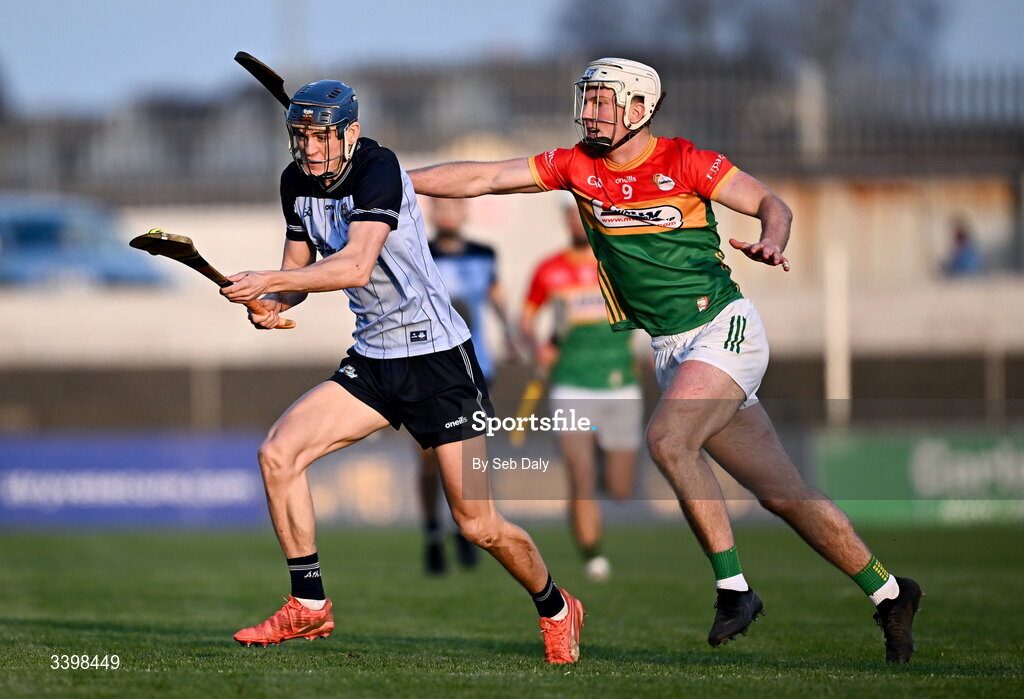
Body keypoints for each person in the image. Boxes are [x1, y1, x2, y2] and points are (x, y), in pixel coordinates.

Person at [410, 58, 923, 663]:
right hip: (671, 350)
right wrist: (392, 177)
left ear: (639, 110)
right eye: (588, 99)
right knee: (784, 495)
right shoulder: (577, 165)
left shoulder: (685, 161)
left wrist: (772, 239)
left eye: (604, 102)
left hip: (724, 329)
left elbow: (771, 203)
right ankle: (890, 592)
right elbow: (486, 178)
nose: (591, 111)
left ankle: (735, 589)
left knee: (667, 440)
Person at [220, 79, 584, 663]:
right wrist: (272, 304)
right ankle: (308, 605)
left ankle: (556, 606)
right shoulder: (294, 183)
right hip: (373, 362)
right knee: (278, 454)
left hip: (440, 362)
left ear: (351, 133)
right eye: (300, 136)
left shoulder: (379, 169)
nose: (310, 149)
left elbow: (357, 265)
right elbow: (298, 267)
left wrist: (272, 282)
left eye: (321, 136)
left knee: (478, 526)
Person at [520, 194, 641, 582]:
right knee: (580, 475)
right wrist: (537, 346)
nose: (576, 221)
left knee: (620, 489)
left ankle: (604, 466)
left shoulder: (621, 263)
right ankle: (593, 556)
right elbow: (525, 321)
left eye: (582, 213)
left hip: (620, 385)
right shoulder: (548, 270)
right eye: (570, 214)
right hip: (571, 386)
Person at [419, 196, 519, 575]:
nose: (447, 213)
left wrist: (510, 335)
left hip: (475, 366)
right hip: (426, 364)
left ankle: (468, 528)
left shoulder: (484, 253)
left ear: (464, 212)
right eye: (440, 207)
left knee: (467, 457)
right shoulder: (419, 251)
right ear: (432, 213)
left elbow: (496, 298)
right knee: (428, 460)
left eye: (454, 206)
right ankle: (431, 530)